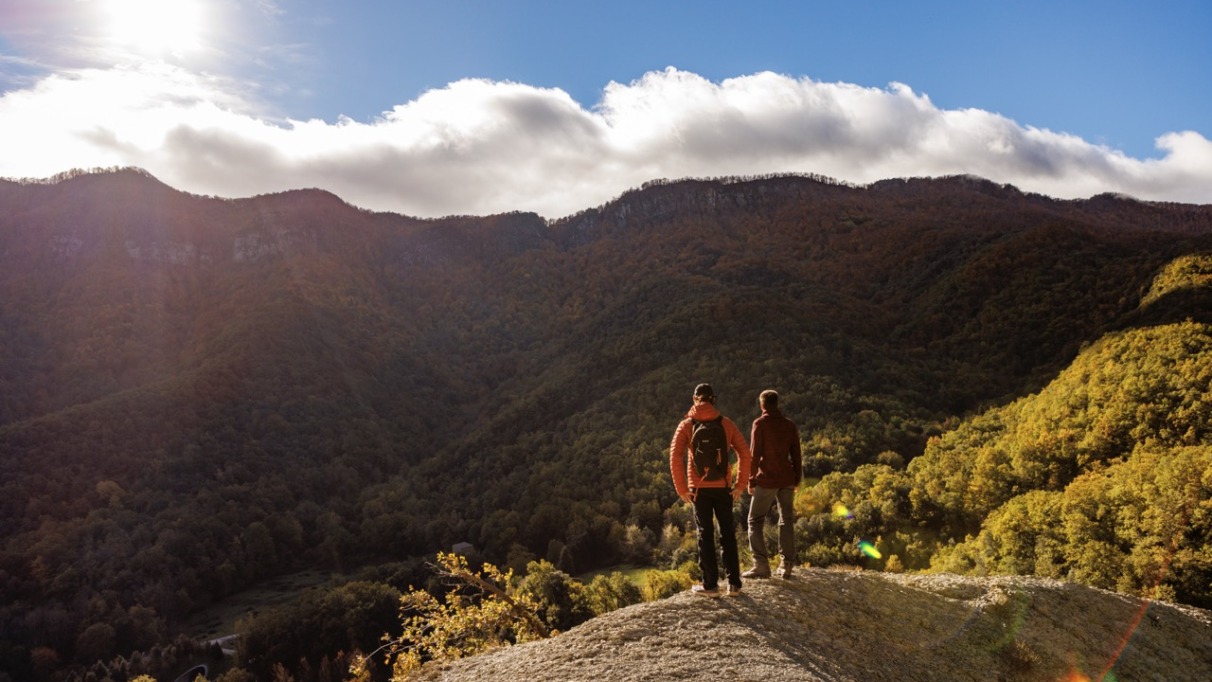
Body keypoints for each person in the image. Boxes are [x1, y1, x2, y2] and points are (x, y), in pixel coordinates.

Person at [670, 383, 752, 597]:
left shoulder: (686, 425)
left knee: (705, 535)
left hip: (698, 489)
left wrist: (682, 488)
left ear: (695, 399)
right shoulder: (726, 424)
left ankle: (711, 586)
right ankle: (734, 584)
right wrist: (740, 485)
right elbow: (745, 453)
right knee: (727, 533)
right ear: (713, 400)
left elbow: (675, 456)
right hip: (724, 488)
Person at [744, 389, 802, 579]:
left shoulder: (759, 424)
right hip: (786, 477)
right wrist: (796, 478)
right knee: (786, 520)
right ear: (777, 403)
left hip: (767, 479)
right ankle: (786, 565)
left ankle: (761, 565)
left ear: (762, 405)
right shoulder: (789, 425)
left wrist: (751, 480)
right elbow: (796, 454)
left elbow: (754, 455)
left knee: (754, 520)